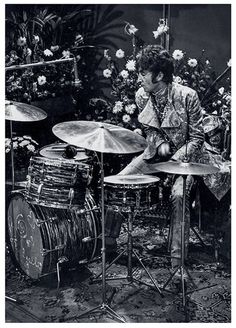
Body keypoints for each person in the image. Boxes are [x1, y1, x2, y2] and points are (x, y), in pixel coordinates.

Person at [105, 44, 230, 277]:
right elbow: (148, 129)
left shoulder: (187, 96)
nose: (139, 77)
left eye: (143, 73)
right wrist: (157, 141)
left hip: (187, 158)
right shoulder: (142, 95)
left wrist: (173, 162)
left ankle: (177, 263)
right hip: (154, 155)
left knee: (179, 195)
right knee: (119, 181)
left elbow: (196, 138)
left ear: (159, 75)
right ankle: (108, 244)